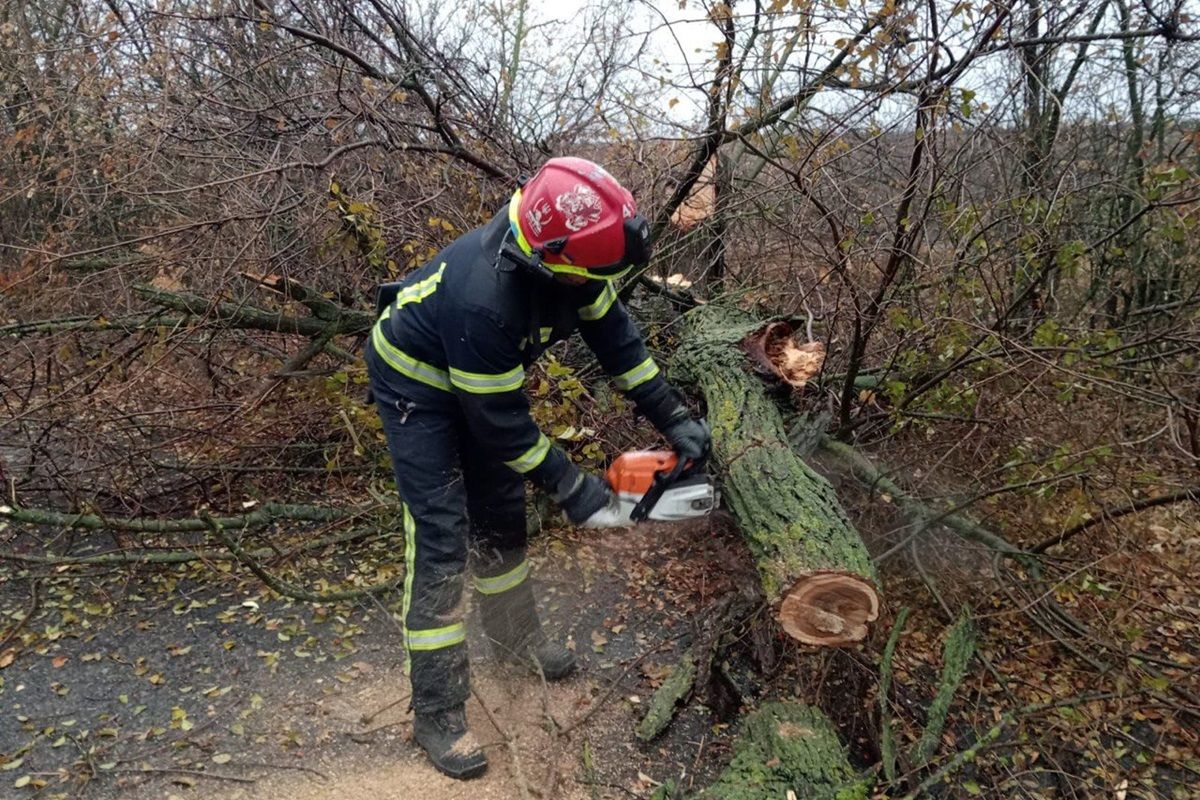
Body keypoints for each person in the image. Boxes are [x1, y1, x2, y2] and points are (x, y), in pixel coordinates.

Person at [364, 156, 710, 779]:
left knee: (501, 515)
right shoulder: (482, 298)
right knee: (443, 536)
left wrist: (675, 417)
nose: (595, 285)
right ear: (551, 261)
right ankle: (437, 711)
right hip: (418, 386)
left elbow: (621, 349)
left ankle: (514, 644)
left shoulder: (575, 263)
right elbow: (500, 424)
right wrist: (572, 486)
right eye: (590, 277)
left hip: (480, 382)